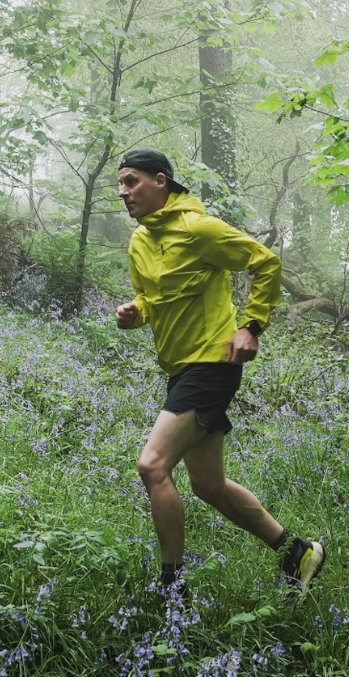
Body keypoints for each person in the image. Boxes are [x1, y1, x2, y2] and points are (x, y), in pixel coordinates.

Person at [115, 148, 325, 594]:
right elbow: (152, 298)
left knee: (152, 467)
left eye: (132, 181)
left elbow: (264, 263)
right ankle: (298, 553)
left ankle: (174, 590)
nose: (124, 192)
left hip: (212, 363)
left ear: (161, 181)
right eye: (121, 184)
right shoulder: (139, 243)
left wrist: (251, 326)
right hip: (179, 367)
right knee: (209, 485)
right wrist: (138, 311)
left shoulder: (199, 229)